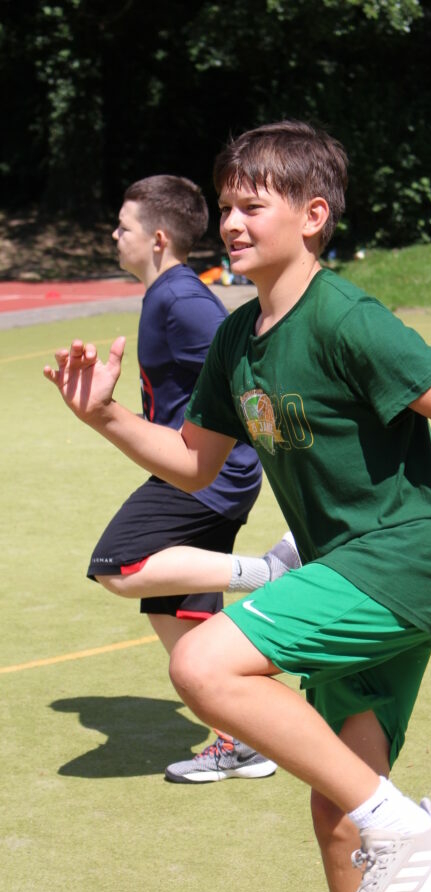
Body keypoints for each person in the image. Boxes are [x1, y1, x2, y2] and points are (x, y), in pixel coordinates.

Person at [44, 122, 431, 892]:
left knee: (204, 664)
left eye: (253, 206)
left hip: (404, 556)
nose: (231, 224)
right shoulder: (237, 340)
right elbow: (195, 463)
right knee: (337, 810)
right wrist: (107, 418)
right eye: (226, 207)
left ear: (313, 216)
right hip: (349, 567)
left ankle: (410, 826)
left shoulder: (344, 317)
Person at [87, 174, 301, 784]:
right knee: (175, 607)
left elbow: (247, 368)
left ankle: (270, 572)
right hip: (194, 467)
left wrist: (276, 451)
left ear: (157, 238)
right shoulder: (166, 294)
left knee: (118, 565)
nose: (114, 235)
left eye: (123, 226)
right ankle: (242, 740)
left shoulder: (181, 299)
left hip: (207, 472)